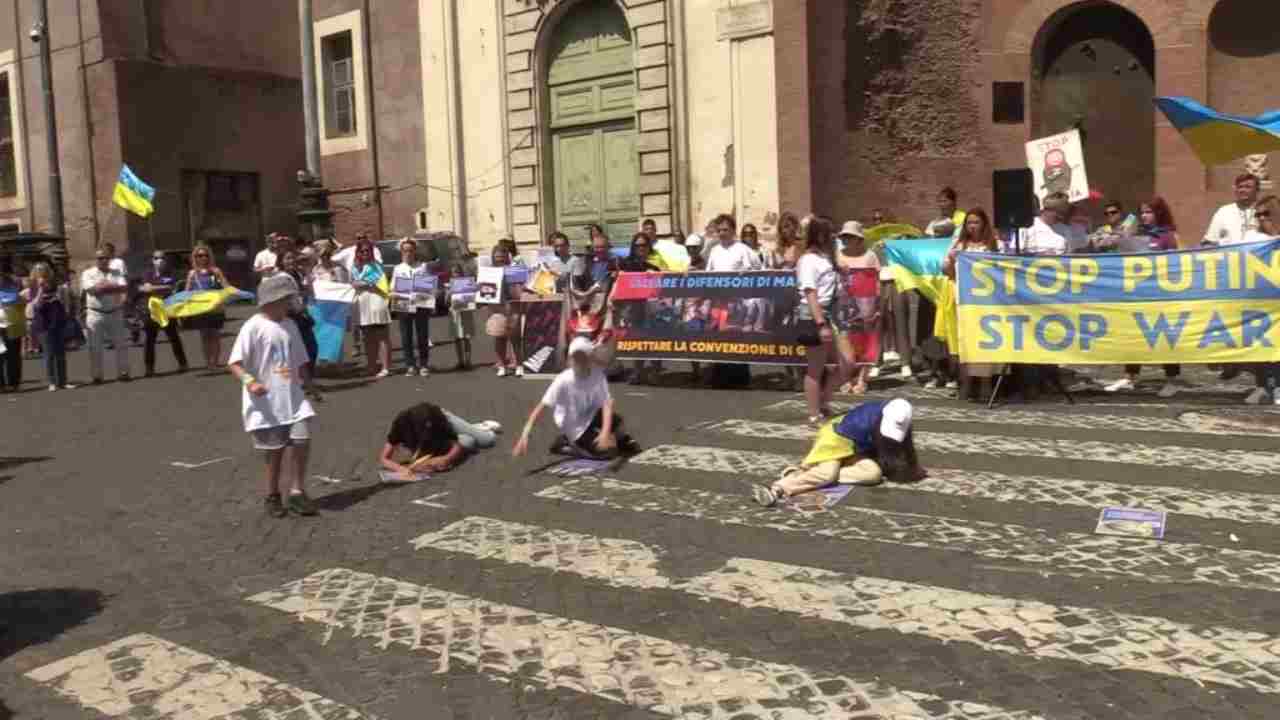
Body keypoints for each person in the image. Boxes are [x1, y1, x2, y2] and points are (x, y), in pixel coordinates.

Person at [227, 274, 317, 519]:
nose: (289, 304)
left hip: (294, 398)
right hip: (266, 402)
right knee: (274, 451)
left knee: (301, 440)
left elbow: (300, 361)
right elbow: (235, 363)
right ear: (272, 301)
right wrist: (251, 382)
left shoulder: (290, 325)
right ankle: (273, 494)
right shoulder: (253, 326)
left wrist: (310, 384)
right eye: (286, 300)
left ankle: (298, 492)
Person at [752, 398, 927, 507]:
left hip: (853, 448)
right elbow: (886, 450)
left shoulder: (897, 414)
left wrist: (913, 466)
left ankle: (806, 474)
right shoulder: (863, 423)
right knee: (828, 475)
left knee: (873, 474)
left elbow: (903, 445)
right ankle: (779, 489)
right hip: (834, 440)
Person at [513, 336, 639, 459]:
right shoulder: (563, 379)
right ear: (570, 359)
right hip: (572, 424)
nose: (579, 361)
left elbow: (606, 404)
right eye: (575, 357)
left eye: (583, 356)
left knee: (618, 422)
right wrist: (525, 434)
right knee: (607, 453)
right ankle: (569, 444)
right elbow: (541, 407)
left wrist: (605, 432)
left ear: (591, 357)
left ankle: (623, 441)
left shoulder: (598, 375)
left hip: (590, 412)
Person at [942, 209, 1000, 401]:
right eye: (969, 223)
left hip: (986, 301)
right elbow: (947, 271)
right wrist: (952, 258)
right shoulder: (959, 244)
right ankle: (965, 382)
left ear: (984, 223)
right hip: (965, 300)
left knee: (985, 342)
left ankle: (985, 384)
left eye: (976, 222)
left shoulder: (993, 245)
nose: (972, 226)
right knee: (965, 342)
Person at [796, 217, 841, 424]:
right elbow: (810, 293)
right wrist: (820, 324)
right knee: (815, 368)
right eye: (829, 233)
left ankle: (822, 402)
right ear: (820, 235)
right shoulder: (808, 260)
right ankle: (814, 414)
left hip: (829, 312)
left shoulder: (826, 257)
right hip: (814, 314)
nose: (833, 237)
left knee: (844, 363)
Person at [380, 402, 502, 478]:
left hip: (446, 420)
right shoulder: (400, 424)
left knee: (487, 441)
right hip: (437, 438)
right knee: (469, 442)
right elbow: (384, 458)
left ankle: (480, 427)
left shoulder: (436, 419)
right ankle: (470, 429)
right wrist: (400, 468)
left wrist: (446, 459)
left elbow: (456, 444)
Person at [1242, 194, 1280, 405]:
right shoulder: (1252, 238)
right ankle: (1261, 385)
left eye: (1266, 214)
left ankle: (1278, 388)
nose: (1261, 218)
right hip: (1257, 301)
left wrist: (1274, 232)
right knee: (1260, 346)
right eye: (1257, 214)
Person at [834, 221, 880, 395]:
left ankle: (862, 379)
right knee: (846, 340)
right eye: (844, 236)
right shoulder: (837, 255)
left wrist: (878, 304)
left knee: (867, 341)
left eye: (850, 236)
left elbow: (877, 282)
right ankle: (845, 377)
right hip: (843, 303)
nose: (846, 239)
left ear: (858, 238)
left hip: (866, 303)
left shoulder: (870, 256)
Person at [616, 232, 664, 384]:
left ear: (648, 247)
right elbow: (616, 278)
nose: (640, 248)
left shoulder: (653, 267)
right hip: (634, 308)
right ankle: (638, 372)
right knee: (637, 340)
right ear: (633, 247)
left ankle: (656, 372)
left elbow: (663, 286)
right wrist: (621, 275)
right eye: (637, 245)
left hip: (652, 308)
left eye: (643, 245)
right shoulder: (626, 264)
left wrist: (656, 275)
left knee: (654, 340)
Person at [81, 246, 132, 383]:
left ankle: (123, 373)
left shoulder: (116, 272)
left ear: (110, 259)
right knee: (95, 346)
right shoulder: (87, 273)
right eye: (100, 258)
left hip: (115, 311)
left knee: (121, 344)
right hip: (95, 313)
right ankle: (97, 376)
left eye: (106, 258)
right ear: (95, 260)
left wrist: (104, 287)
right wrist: (111, 287)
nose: (103, 260)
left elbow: (123, 287)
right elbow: (92, 290)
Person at [139, 251, 189, 377]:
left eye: (162, 258)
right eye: (156, 258)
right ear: (152, 260)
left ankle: (183, 364)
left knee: (173, 337)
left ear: (165, 261)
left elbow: (169, 287)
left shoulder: (170, 274)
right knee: (149, 340)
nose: (159, 260)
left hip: (166, 309)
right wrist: (157, 287)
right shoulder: (147, 273)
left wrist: (153, 288)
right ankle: (149, 368)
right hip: (151, 310)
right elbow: (145, 288)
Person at [28, 262, 75, 391]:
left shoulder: (55, 284)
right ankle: (52, 382)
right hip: (43, 322)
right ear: (35, 273)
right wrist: (41, 288)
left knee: (60, 352)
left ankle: (63, 381)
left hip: (57, 319)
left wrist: (65, 312)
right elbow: (36, 305)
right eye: (39, 270)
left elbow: (62, 300)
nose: (42, 272)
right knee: (49, 353)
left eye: (44, 270)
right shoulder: (33, 286)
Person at [392, 238, 432, 377]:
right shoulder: (398, 268)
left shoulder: (422, 266)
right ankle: (410, 365)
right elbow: (393, 287)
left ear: (415, 251)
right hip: (404, 304)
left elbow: (428, 286)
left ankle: (424, 364)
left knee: (422, 335)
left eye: (410, 250)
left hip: (420, 304)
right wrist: (394, 294)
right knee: (406, 335)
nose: (408, 253)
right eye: (405, 250)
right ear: (401, 252)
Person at [185, 244, 230, 369]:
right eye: (199, 255)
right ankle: (208, 362)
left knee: (215, 334)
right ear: (195, 258)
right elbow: (187, 292)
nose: (202, 258)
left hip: (215, 308)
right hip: (201, 308)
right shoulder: (192, 274)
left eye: (205, 255)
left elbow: (226, 286)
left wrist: (222, 294)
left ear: (209, 257)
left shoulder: (215, 271)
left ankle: (215, 362)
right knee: (204, 335)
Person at [352, 239, 392, 378]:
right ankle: (371, 366)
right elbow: (354, 284)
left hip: (377, 302)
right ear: (358, 252)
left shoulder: (377, 266)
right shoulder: (355, 267)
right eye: (362, 251)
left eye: (367, 250)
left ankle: (386, 367)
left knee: (382, 336)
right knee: (368, 338)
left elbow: (379, 285)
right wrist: (364, 284)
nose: (365, 253)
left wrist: (364, 284)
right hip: (363, 304)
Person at [486, 243, 526, 377]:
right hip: (496, 308)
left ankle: (519, 364)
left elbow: (522, 287)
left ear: (507, 257)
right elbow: (483, 291)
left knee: (515, 338)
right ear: (493, 257)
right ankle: (501, 365)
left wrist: (519, 284)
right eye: (497, 257)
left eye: (502, 257)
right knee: (499, 338)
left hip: (512, 306)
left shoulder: (513, 270)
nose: (499, 259)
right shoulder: (489, 271)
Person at [1205, 173, 1260, 246]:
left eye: (1248, 187)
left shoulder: (1265, 211)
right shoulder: (1224, 211)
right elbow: (1210, 242)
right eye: (1240, 187)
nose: (1242, 190)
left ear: (1257, 190)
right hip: (1230, 256)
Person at [1024, 192, 1071, 256]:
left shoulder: (1065, 229)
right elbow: (1012, 254)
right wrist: (1040, 255)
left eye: (1064, 213)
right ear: (1048, 210)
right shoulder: (1028, 225)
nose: (1061, 216)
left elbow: (1068, 255)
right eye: (1059, 212)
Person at [0, 261, 23, 391]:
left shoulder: (15, 286)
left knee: (13, 355)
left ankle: (14, 382)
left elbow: (21, 302)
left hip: (13, 324)